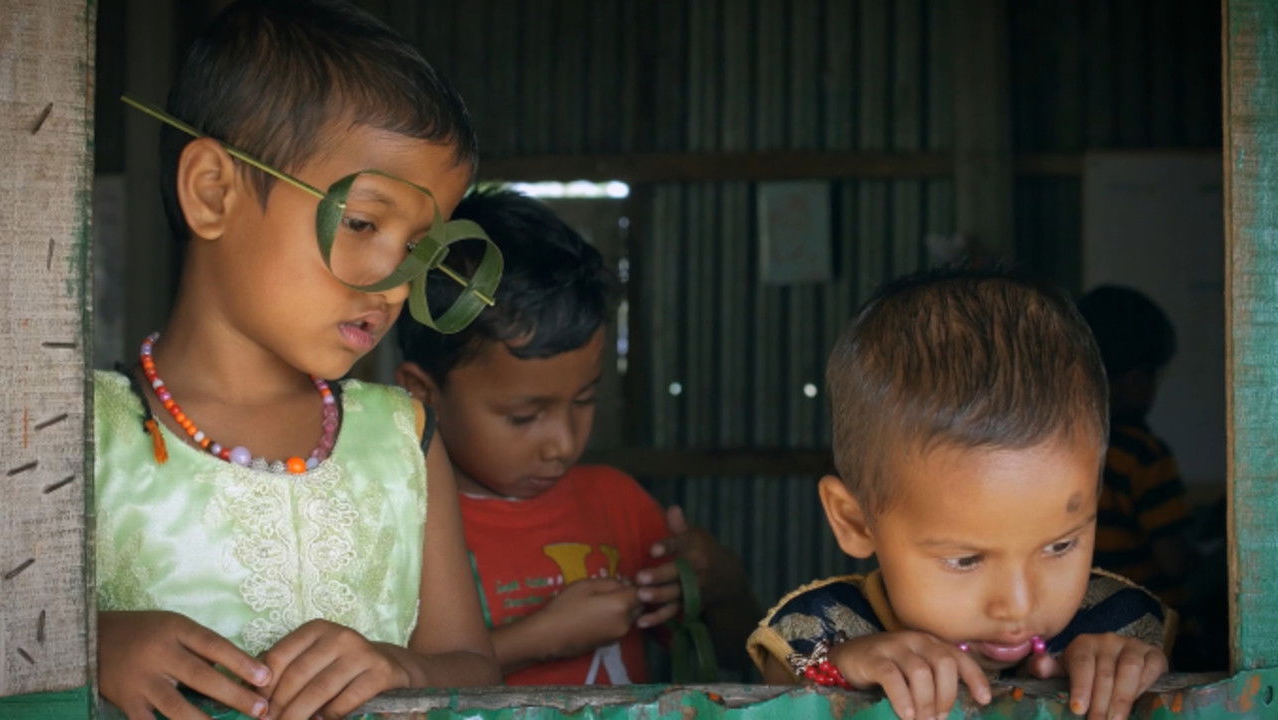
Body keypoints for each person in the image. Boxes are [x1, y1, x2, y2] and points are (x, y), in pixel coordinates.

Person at [94, 2, 500, 719]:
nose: (395, 282)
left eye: (417, 247)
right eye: (364, 222)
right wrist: (90, 647)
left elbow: (474, 670)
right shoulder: (80, 432)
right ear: (213, 192)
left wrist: (400, 669)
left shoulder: (404, 438)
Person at [748, 270, 1173, 720]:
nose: (1018, 605)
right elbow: (775, 689)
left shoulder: (1117, 622)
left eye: (1060, 545)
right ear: (853, 520)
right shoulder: (826, 626)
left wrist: (1127, 674)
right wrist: (845, 670)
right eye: (965, 560)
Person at [395, 188, 759, 685]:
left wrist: (720, 583)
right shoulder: (395, 530)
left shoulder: (618, 505)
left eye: (585, 400)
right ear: (422, 393)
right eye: (524, 417)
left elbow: (746, 657)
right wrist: (537, 639)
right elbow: (388, 686)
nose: (563, 444)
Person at [1077, 285, 1195, 610]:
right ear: (1133, 378)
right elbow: (1174, 561)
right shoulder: (1143, 455)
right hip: (1153, 626)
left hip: (1083, 621)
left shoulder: (1065, 448)